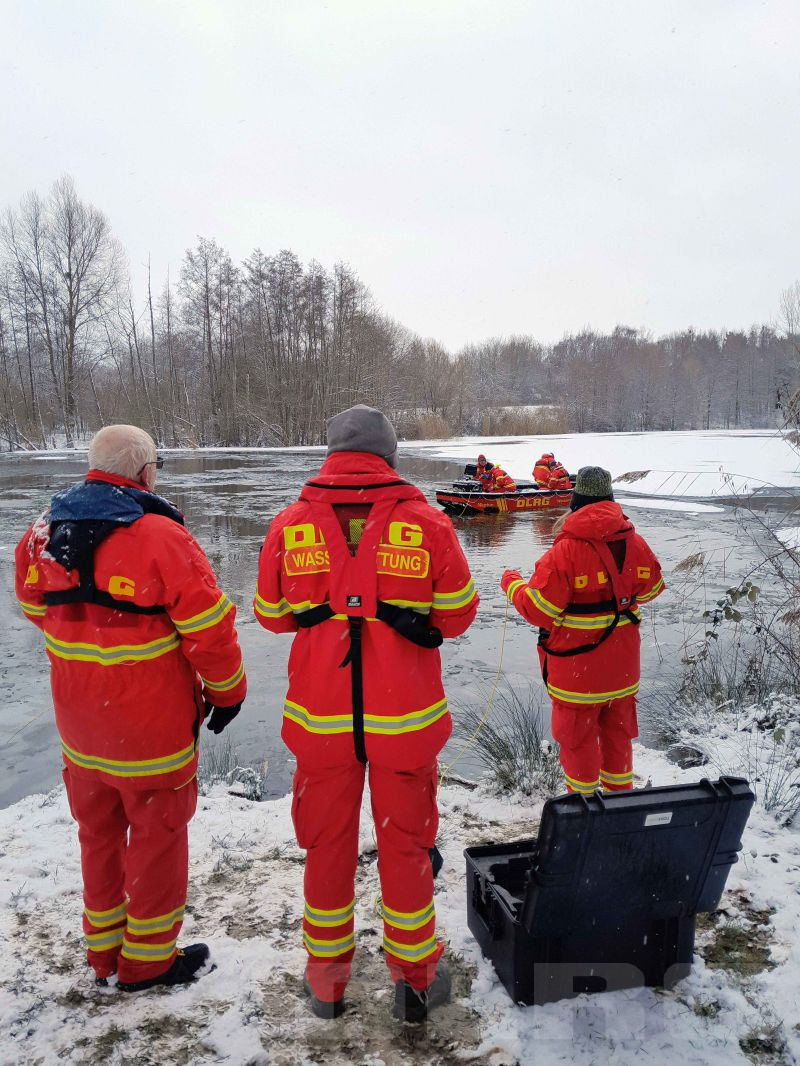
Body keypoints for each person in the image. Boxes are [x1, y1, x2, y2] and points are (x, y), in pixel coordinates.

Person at [254, 404, 478, 1023]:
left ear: (331, 455)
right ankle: (415, 985)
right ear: (389, 455)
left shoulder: (290, 524)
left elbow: (270, 616)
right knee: (406, 849)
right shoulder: (428, 523)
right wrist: (400, 609)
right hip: (405, 722)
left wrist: (324, 605)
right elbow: (458, 614)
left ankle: (326, 987)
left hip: (320, 722)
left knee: (327, 850)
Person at [14, 425, 246, 992]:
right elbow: (209, 630)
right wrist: (228, 692)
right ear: (145, 472)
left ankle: (103, 953)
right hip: (150, 729)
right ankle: (147, 963)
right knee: (157, 837)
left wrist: (92, 641)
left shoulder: (42, 532)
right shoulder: (161, 536)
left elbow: (34, 608)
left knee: (97, 836)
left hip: (80, 728)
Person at [499, 466, 663, 796]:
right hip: (622, 673)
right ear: (611, 500)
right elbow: (652, 588)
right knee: (618, 741)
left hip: (578, 676)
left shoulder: (565, 552)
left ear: (575, 502)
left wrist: (511, 584)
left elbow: (538, 610)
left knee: (578, 745)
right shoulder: (634, 542)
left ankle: (584, 808)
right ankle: (619, 806)